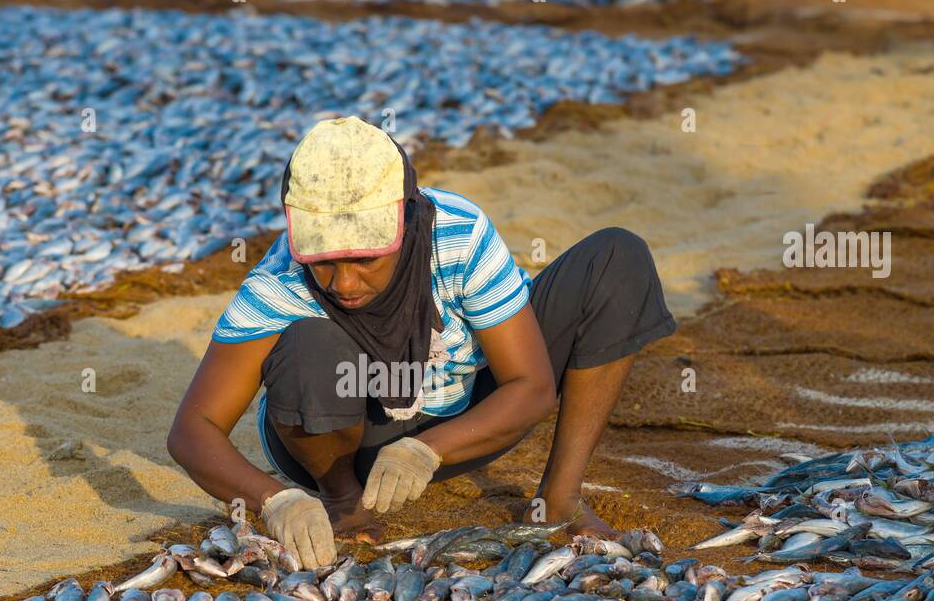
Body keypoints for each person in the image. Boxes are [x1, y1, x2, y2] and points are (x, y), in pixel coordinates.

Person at [168, 117, 676, 569]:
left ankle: (561, 498)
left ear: (405, 219)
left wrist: (427, 450)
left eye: (366, 258)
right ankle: (344, 502)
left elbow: (532, 386)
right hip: (342, 440)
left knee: (616, 257)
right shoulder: (280, 278)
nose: (343, 283)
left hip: (463, 422)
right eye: (324, 261)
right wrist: (276, 500)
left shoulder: (457, 235)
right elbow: (193, 429)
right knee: (308, 346)